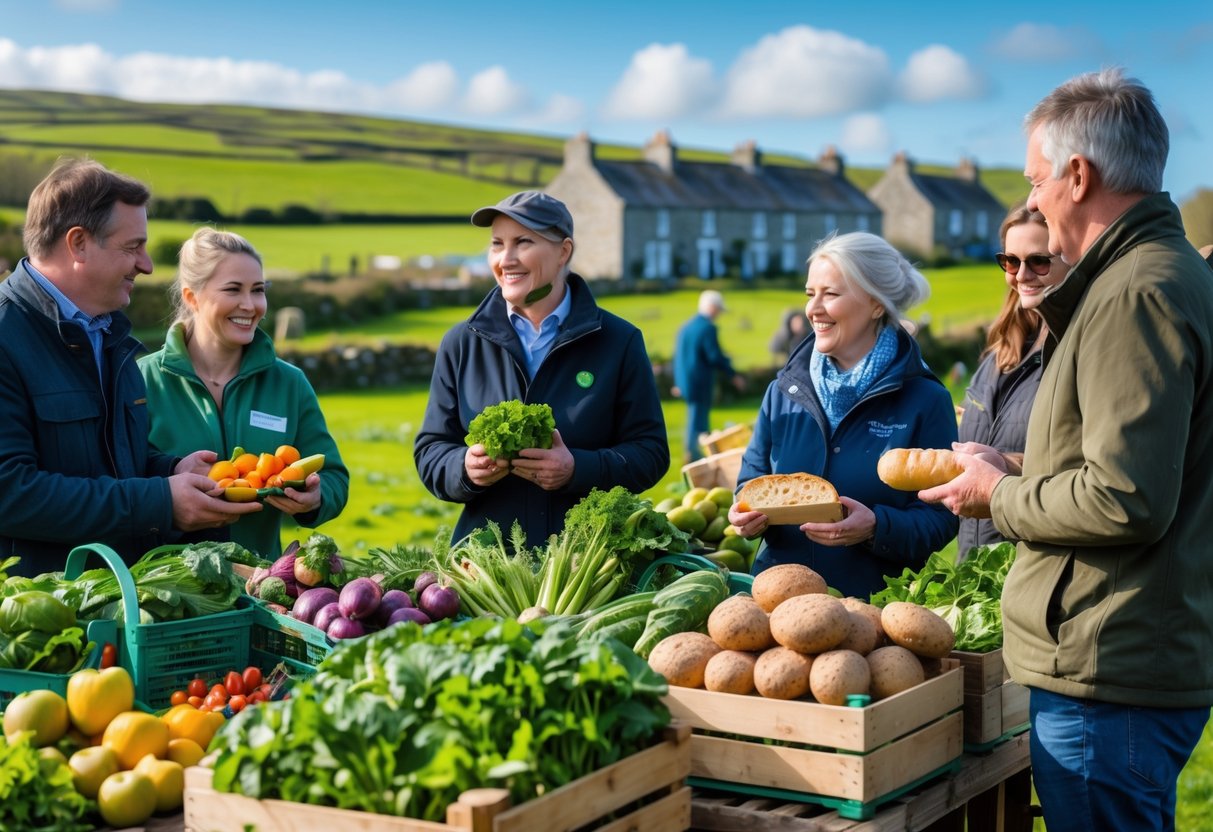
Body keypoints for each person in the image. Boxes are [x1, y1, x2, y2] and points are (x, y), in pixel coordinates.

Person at [921, 68, 1213, 832]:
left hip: (1107, 665)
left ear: (1077, 175)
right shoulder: (1153, 277)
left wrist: (995, 494)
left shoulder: (1135, 292)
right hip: (1122, 655)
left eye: (1037, 179)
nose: (1037, 200)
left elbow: (1124, 498)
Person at [0, 158, 259, 576]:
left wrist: (171, 470)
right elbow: (9, 491)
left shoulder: (107, 334)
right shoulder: (5, 336)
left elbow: (109, 461)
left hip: (115, 604)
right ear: (79, 243)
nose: (147, 264)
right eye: (132, 247)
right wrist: (161, 501)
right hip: (36, 617)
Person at [413, 191, 669, 548]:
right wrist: (463, 467)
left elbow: (651, 453)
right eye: (497, 244)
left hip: (587, 567)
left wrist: (577, 469)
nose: (506, 259)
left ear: (563, 251)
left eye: (523, 242)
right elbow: (431, 450)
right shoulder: (462, 342)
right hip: (487, 569)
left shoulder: (618, 341)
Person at [728, 231, 958, 598]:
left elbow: (942, 520)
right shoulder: (782, 392)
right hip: (774, 605)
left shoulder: (925, 399)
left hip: (873, 615)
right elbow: (750, 480)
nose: (813, 309)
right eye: (810, 294)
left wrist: (876, 528)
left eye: (830, 294)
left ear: (876, 304)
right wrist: (743, 514)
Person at [138, 228, 349, 559]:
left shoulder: (289, 383)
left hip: (262, 586)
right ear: (192, 297)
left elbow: (334, 477)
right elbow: (120, 487)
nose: (250, 305)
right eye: (233, 290)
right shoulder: (141, 381)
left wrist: (315, 500)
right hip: (167, 589)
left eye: (258, 290)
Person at [954, 205, 1063, 557]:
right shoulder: (1000, 352)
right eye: (1010, 261)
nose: (1022, 275)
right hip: (973, 566)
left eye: (1039, 261)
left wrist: (1004, 462)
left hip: (1034, 564)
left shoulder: (1076, 353)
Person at [672, 289, 746, 464]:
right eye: (718, 309)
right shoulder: (707, 328)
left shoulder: (686, 326)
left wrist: (678, 382)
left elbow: (679, 357)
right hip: (700, 382)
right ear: (712, 307)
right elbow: (714, 356)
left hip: (686, 382)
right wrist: (733, 374)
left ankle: (692, 454)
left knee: (694, 417)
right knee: (699, 422)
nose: (719, 314)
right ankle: (696, 458)